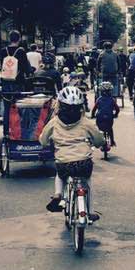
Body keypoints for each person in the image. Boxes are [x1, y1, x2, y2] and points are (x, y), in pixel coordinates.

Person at [40, 85, 104, 219]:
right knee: (87, 181)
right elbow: (99, 140)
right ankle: (90, 211)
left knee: (60, 175)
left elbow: (43, 140)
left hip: (63, 163)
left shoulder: (54, 123)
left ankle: (58, 194)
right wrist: (99, 143)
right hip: (83, 163)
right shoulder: (86, 123)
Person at [0, 30, 32, 128]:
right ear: (19, 39)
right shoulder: (21, 51)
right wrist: (30, 72)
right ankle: (20, 131)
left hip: (6, 83)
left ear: (9, 38)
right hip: (18, 83)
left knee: (7, 109)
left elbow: (1, 67)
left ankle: (6, 132)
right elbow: (26, 68)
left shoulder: (3, 51)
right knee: (20, 107)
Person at [91, 80, 120, 146]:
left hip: (100, 117)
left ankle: (97, 142)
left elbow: (94, 109)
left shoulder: (99, 99)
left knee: (98, 130)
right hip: (109, 118)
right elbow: (117, 109)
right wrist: (115, 115)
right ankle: (112, 141)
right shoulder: (112, 99)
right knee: (110, 129)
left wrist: (92, 115)